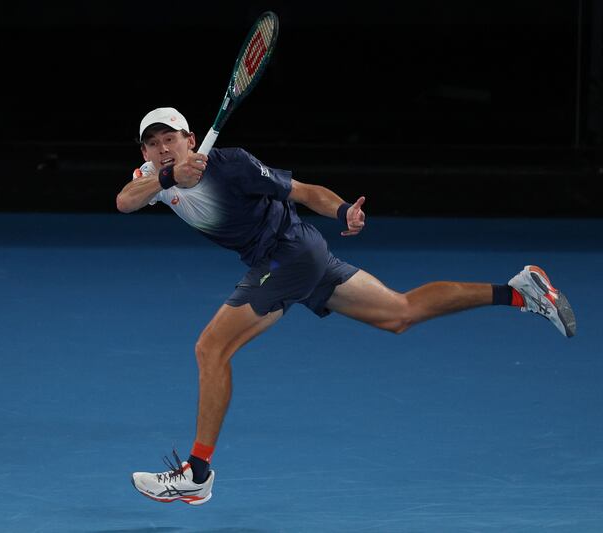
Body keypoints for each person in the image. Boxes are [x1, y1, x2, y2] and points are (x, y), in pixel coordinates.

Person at [117, 107, 576, 505]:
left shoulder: (231, 164)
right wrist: (168, 176)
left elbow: (303, 191)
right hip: (297, 261)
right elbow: (123, 202)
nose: (162, 148)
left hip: (289, 253)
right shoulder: (154, 177)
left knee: (210, 349)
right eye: (152, 144)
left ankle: (196, 475)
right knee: (400, 313)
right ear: (145, 153)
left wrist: (342, 212)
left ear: (190, 139)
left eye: (170, 139)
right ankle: (519, 291)